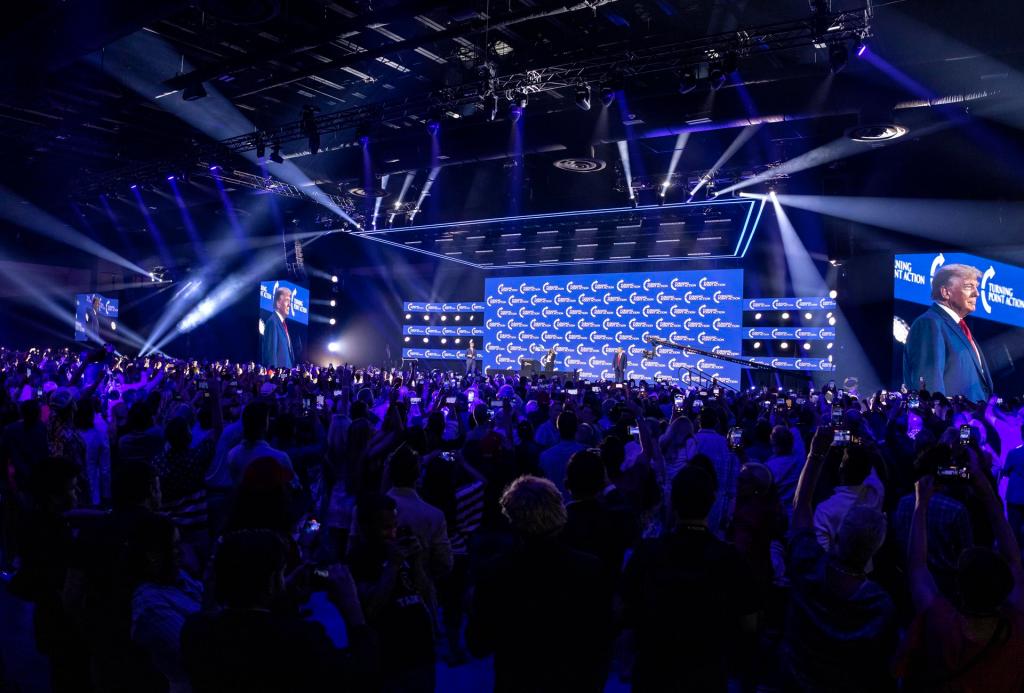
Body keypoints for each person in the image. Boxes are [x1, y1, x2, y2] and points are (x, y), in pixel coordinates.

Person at [466, 476, 611, 692]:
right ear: (559, 511)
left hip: (517, 680)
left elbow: (478, 644)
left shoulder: (495, 571)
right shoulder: (589, 568)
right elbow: (601, 638)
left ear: (511, 516)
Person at [623, 464, 759, 691]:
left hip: (653, 671)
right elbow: (750, 622)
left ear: (673, 502)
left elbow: (623, 609)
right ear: (711, 502)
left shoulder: (647, 552)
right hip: (707, 674)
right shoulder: (730, 558)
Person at [181, 529, 369, 692]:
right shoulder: (301, 639)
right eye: (282, 571)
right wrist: (353, 609)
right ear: (273, 579)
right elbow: (359, 679)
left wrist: (280, 599)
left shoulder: (195, 631)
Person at [783, 426, 897, 691]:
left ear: (841, 536)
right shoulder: (879, 603)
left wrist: (816, 454)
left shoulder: (811, 567)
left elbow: (800, 507)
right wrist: (871, 449)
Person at [901, 451, 1024, 692]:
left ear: (960, 587)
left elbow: (916, 566)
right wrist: (986, 490)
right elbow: (1014, 560)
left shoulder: (940, 622)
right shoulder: (1016, 624)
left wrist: (921, 503)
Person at [904, 263, 993, 401]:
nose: (977, 293)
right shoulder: (930, 324)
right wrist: (939, 419)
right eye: (969, 286)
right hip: (951, 421)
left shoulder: (960, 328)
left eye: (976, 287)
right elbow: (929, 386)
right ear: (945, 292)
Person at [538, 410, 586, 499]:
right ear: (576, 427)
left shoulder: (545, 456)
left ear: (558, 427)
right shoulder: (585, 452)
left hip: (556, 505)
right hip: (581, 504)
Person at [259, 285, 295, 368]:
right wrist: (274, 376)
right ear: (278, 303)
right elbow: (271, 352)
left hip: (285, 373)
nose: (289, 305)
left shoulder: (282, 323)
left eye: (290, 301)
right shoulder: (273, 322)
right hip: (278, 375)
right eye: (287, 300)